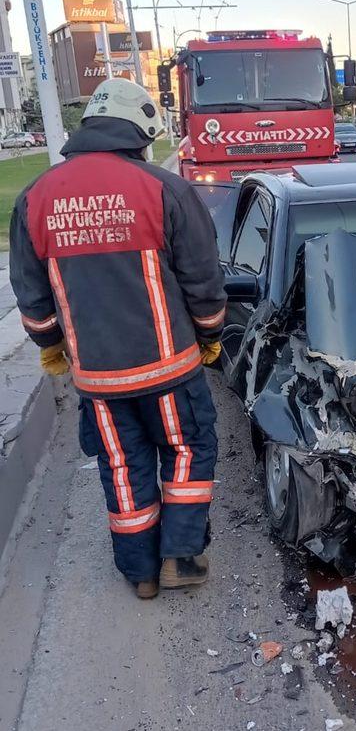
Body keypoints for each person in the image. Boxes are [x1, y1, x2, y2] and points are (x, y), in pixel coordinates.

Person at [9, 78, 227, 600]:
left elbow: (33, 299)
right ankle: (179, 555)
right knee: (186, 449)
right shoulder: (163, 189)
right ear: (139, 131)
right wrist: (211, 335)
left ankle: (141, 573)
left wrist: (52, 347)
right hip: (168, 367)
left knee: (122, 465)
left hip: (97, 376)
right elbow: (203, 281)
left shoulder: (36, 197)